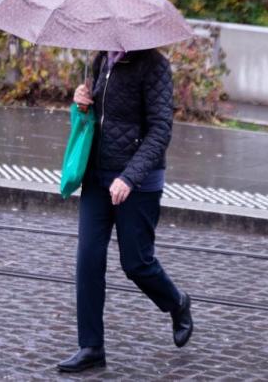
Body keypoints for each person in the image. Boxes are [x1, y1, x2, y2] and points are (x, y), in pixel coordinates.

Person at [57, 49, 193, 373]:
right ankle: (91, 347)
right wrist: (81, 103)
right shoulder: (102, 59)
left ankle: (177, 303)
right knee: (88, 257)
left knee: (136, 263)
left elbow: (161, 130)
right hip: (97, 177)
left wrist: (129, 177)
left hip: (138, 183)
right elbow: (99, 120)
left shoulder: (154, 65)